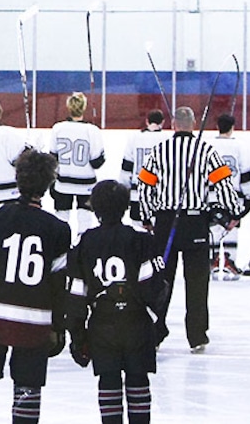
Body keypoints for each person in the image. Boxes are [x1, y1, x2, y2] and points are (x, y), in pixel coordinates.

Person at [0, 149, 70, 424]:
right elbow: (60, 286)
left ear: (17, 178)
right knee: (27, 389)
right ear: (48, 184)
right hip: (35, 320)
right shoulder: (58, 229)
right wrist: (59, 327)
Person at [137, 105, 243, 353]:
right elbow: (224, 184)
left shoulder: (159, 150)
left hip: (166, 222)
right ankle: (197, 336)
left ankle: (155, 331)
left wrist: (146, 215)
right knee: (197, 282)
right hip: (195, 223)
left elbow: (144, 186)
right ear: (193, 125)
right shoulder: (206, 150)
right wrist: (232, 213)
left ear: (173, 125)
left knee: (161, 279)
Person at [64, 180, 168, 424]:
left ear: (95, 208)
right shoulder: (143, 240)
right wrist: (155, 324)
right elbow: (157, 289)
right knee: (138, 380)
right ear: (124, 207)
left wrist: (77, 337)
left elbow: (76, 294)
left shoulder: (84, 242)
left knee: (108, 381)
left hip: (102, 324)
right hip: (137, 322)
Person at [46, 91, 106, 240]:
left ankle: (60, 249)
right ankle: (82, 250)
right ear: (84, 107)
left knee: (61, 217)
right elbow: (97, 161)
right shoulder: (92, 130)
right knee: (85, 219)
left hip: (63, 182)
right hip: (86, 183)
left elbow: (52, 157)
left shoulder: (58, 128)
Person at [207, 112, 250, 279]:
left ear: (217, 127)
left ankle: (213, 261)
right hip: (233, 195)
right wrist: (249, 196)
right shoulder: (240, 146)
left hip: (212, 194)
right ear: (232, 128)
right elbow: (245, 174)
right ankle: (228, 260)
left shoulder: (207, 144)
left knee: (213, 227)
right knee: (232, 227)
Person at [119, 111, 165, 224]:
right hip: (159, 195)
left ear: (147, 121)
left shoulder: (134, 138)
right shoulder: (167, 139)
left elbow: (127, 167)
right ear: (162, 122)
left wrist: (124, 189)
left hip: (137, 194)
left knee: (137, 230)